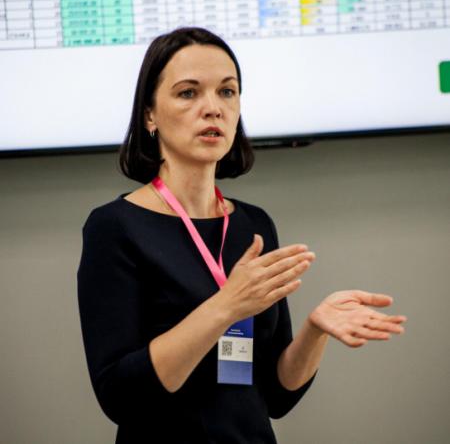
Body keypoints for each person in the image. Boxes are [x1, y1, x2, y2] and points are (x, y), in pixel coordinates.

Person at [77, 27, 407, 444]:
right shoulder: (114, 227)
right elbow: (120, 396)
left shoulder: (254, 225)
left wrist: (314, 330)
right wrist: (227, 306)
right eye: (188, 93)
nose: (213, 109)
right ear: (149, 115)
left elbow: (276, 395)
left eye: (227, 92)